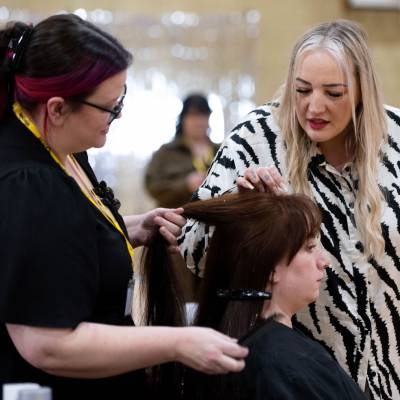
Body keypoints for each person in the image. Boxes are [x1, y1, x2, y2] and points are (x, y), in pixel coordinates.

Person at [0, 14, 248, 399]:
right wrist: (176, 344)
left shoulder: (63, 149)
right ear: (57, 109)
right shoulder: (31, 185)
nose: (117, 117)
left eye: (121, 101)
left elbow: (64, 240)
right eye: (110, 108)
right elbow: (46, 344)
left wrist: (131, 228)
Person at [178, 19, 400, 400]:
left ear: (363, 90)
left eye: (334, 93)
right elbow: (193, 250)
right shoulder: (257, 138)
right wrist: (241, 202)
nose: (315, 106)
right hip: (299, 376)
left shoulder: (395, 138)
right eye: (302, 90)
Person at [142, 190, 366, 399]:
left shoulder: (263, 353)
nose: (324, 262)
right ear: (269, 269)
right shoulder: (275, 366)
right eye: (309, 248)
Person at [145, 93, 219, 208]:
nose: (199, 121)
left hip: (215, 220)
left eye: (203, 115)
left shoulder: (220, 150)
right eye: (193, 115)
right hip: (174, 220)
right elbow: (152, 187)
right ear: (183, 119)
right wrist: (185, 185)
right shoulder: (166, 152)